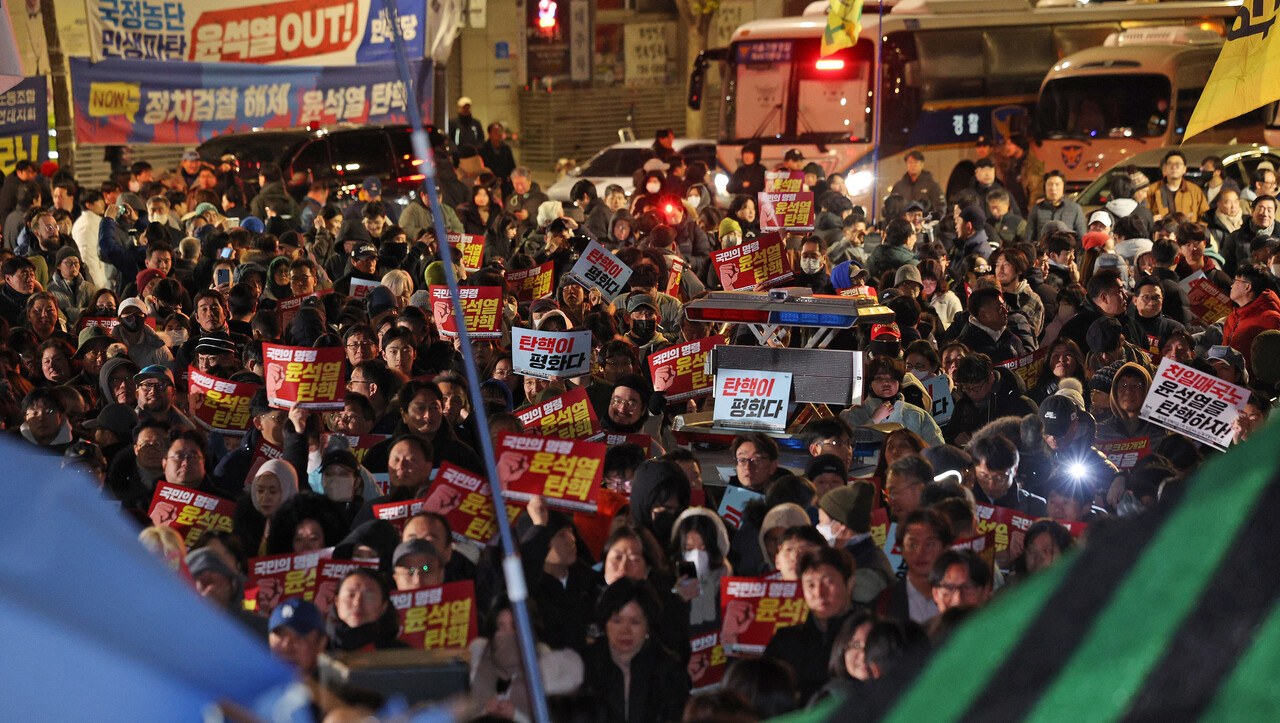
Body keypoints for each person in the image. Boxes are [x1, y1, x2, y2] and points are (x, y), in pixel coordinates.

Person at [580, 578, 691, 723]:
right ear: (604, 623)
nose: (625, 631)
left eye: (635, 622)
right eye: (616, 621)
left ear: (648, 626)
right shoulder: (584, 665)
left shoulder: (669, 671)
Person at [764, 547, 859, 700]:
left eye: (828, 583)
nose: (819, 593)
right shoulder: (786, 640)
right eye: (810, 585)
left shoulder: (869, 633)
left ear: (849, 584)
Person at [816, 483, 896, 603]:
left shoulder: (865, 574)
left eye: (821, 521)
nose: (818, 527)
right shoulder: (851, 556)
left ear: (839, 526)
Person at [877, 508, 954, 624]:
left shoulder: (961, 598)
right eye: (913, 545)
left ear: (946, 548)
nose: (920, 552)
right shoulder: (884, 603)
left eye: (930, 544)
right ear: (901, 549)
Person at [327, 568, 408, 651]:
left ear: (384, 606)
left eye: (369, 597)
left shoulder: (400, 653)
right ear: (337, 602)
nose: (357, 603)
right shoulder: (318, 648)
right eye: (351, 595)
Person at [968, 432, 1047, 515]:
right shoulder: (963, 499)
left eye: (1000, 478)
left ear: (1015, 470)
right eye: (984, 476)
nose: (991, 485)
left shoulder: (1035, 507)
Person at [1223, 263, 1280, 372]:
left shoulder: (1271, 319)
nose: (1231, 285)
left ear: (1247, 287)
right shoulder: (1233, 317)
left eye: (1235, 281)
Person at [268, 598, 328, 677]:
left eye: (299, 636)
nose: (287, 646)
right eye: (281, 635)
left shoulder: (336, 687)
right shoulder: (251, 683)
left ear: (321, 643)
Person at [1146, 150, 1209, 222]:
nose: (1174, 167)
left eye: (1178, 164)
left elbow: (1205, 216)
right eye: (1170, 164)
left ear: (1185, 169)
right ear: (1165, 168)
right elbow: (1143, 214)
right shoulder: (1152, 190)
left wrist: (1195, 231)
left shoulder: (1195, 191)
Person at [1025, 171, 1086, 242]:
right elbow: (1028, 237)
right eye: (1050, 184)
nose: (1053, 188)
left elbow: (1082, 237)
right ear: (1044, 187)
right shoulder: (1037, 209)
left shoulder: (1075, 209)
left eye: (1057, 184)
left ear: (1063, 186)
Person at [930, 550, 993, 615]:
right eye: (950, 588)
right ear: (936, 593)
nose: (958, 599)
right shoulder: (927, 625)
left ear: (985, 591)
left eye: (968, 587)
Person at [890, 151, 944, 216]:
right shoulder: (898, 187)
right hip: (904, 225)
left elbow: (940, 209)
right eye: (910, 162)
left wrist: (927, 223)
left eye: (915, 162)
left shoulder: (932, 186)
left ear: (922, 164)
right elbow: (892, 209)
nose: (912, 165)